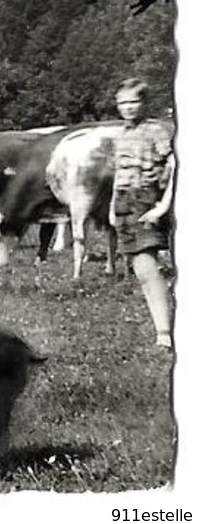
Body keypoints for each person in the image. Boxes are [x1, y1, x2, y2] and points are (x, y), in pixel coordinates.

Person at [109, 78, 175, 349]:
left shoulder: (156, 131)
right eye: (123, 103)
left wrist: (163, 205)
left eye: (134, 102)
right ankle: (163, 328)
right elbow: (119, 173)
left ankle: (164, 333)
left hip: (145, 198)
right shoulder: (121, 135)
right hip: (124, 201)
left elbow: (176, 165)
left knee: (147, 266)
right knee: (139, 267)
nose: (128, 108)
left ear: (144, 103)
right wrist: (114, 208)